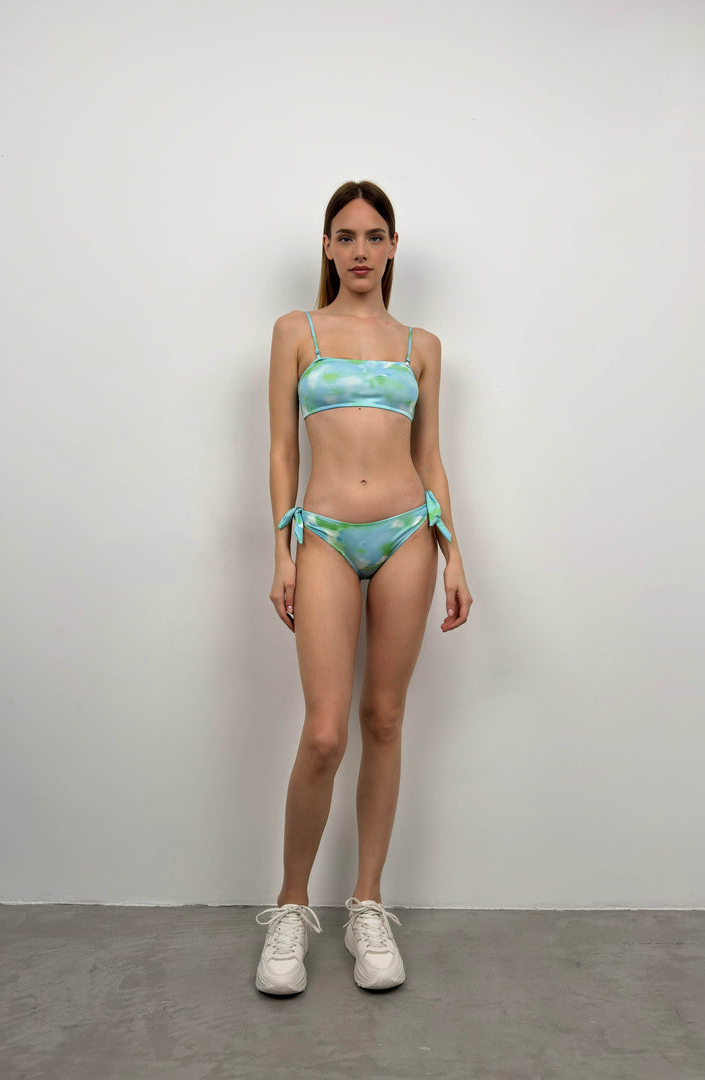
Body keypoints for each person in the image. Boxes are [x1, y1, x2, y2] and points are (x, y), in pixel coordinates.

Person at [256, 180, 472, 996]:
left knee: (383, 718)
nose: (359, 250)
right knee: (324, 733)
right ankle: (289, 908)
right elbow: (283, 450)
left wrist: (454, 553)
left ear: (392, 247)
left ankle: (368, 906)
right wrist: (281, 548)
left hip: (409, 532)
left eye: (374, 236)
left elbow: (431, 458)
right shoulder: (296, 331)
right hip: (324, 536)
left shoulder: (421, 345)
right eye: (344, 236)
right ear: (326, 246)